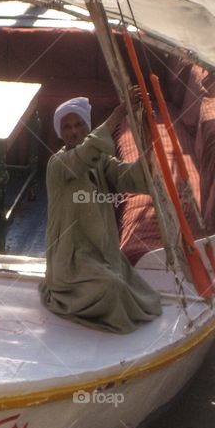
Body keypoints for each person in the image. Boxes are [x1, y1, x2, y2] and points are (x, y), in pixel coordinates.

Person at [40, 95, 162, 333]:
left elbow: (130, 177)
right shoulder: (58, 164)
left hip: (100, 251)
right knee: (112, 287)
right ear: (60, 133)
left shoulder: (100, 162)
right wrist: (118, 114)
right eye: (67, 127)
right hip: (70, 260)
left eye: (79, 125)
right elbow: (87, 152)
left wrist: (146, 135)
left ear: (87, 127)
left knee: (132, 283)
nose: (74, 131)